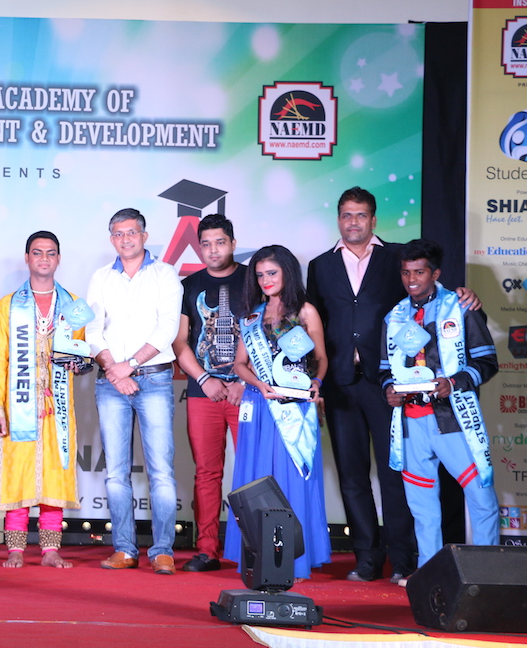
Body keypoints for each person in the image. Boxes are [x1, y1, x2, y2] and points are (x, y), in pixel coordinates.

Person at [307, 187, 478, 583]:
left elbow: (431, 295)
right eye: (346, 215)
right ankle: (367, 557)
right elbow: (313, 319)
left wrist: (464, 294)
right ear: (338, 219)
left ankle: (402, 558)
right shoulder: (319, 265)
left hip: (390, 384)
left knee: (394, 472)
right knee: (351, 476)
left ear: (373, 220)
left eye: (361, 215)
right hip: (341, 384)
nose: (353, 222)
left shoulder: (397, 258)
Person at [380, 239, 498, 573]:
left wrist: (453, 383)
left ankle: (488, 573)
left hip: (453, 420)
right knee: (423, 510)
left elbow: (487, 362)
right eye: (406, 272)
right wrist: (389, 390)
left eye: (419, 272)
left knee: (481, 497)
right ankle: (430, 578)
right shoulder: (394, 316)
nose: (411, 279)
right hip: (411, 424)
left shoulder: (460, 307)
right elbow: (384, 370)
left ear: (435, 274)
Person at [85, 208, 183, 575]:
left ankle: (163, 550)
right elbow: (92, 330)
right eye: (118, 233)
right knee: (116, 473)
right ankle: (124, 548)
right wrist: (115, 370)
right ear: (111, 239)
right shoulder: (101, 277)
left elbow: (168, 328)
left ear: (144, 236)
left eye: (131, 232)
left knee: (161, 472)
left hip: (154, 380)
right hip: (111, 383)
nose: (125, 239)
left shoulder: (165, 274)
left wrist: (130, 365)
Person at [225, 245, 332, 580]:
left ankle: (293, 560)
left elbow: (321, 358)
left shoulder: (305, 311)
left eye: (272, 273)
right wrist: (259, 384)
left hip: (295, 407)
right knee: (257, 479)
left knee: (292, 478)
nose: (265, 280)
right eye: (259, 275)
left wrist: (316, 383)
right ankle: (259, 557)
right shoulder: (252, 317)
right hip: (260, 404)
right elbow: (239, 364)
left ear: (287, 271)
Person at [0, 231, 91, 569]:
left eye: (50, 253)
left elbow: (82, 355)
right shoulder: (8, 305)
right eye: (37, 252)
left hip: (56, 404)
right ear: (27, 258)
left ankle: (50, 549)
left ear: (58, 259)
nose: (44, 258)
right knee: (18, 471)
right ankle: (16, 549)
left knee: (55, 472)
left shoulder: (73, 305)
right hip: (18, 402)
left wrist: (79, 362)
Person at [173, 214, 246, 572]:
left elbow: (270, 332)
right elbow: (180, 342)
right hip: (204, 392)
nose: (213, 250)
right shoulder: (189, 286)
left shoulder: (255, 278)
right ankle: (206, 550)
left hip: (248, 392)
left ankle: (255, 549)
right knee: (206, 473)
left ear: (233, 243)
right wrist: (204, 378)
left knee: (253, 471)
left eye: (220, 242)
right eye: (206, 244)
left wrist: (245, 381)